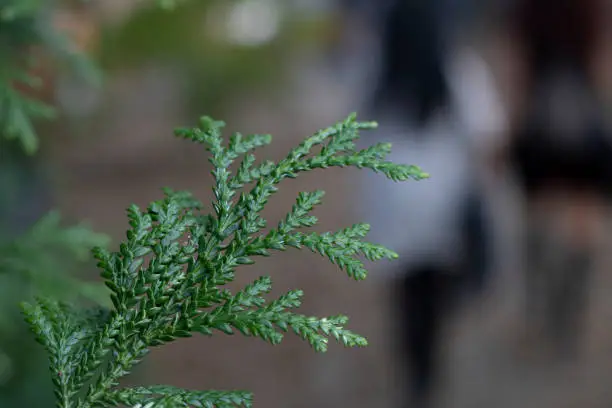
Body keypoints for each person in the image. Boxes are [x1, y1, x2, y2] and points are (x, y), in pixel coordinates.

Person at [349, 0, 506, 406]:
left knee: (406, 297)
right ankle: (430, 371)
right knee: (434, 294)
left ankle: (415, 376)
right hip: (441, 202)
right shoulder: (457, 69)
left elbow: (352, 136)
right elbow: (487, 132)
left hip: (391, 205)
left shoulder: (375, 71)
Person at [501, 0, 611, 355]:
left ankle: (539, 305)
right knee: (584, 224)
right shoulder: (593, 8)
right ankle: (570, 312)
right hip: (584, 120)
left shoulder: (528, 9)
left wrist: (515, 124)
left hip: (540, 121)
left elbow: (518, 68)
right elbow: (602, 66)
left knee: (536, 219)